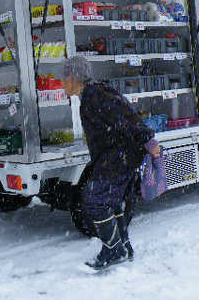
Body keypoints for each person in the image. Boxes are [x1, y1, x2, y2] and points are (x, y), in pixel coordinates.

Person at [59, 56, 161, 270]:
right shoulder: (90, 94)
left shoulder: (96, 94)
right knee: (111, 200)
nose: (61, 83)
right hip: (114, 154)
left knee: (94, 199)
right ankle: (123, 246)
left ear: (71, 78)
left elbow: (125, 115)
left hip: (119, 155)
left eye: (62, 79)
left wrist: (147, 139)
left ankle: (114, 250)